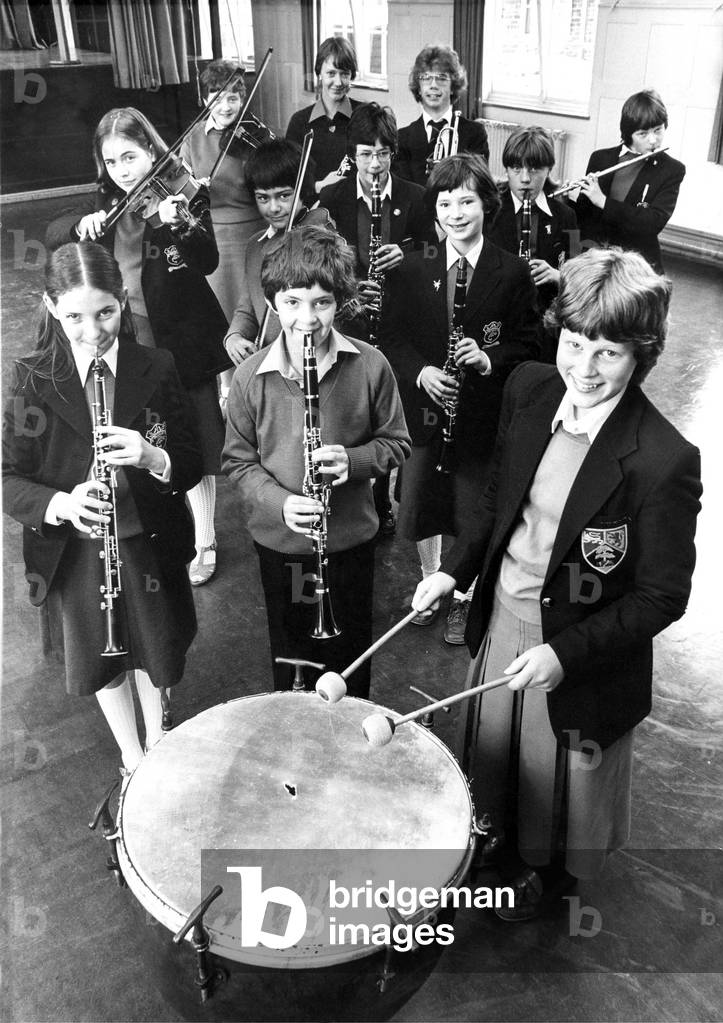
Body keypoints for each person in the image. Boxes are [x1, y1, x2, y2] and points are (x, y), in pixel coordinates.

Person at [412, 248, 702, 920]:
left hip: (578, 648)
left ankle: (540, 872)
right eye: (574, 343)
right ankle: (497, 842)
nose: (584, 367)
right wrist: (452, 573)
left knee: (553, 778)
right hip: (504, 618)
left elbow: (662, 595)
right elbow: (494, 500)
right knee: (496, 760)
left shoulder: (662, 460)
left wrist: (562, 653)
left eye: (608, 352)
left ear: (642, 354)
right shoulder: (531, 387)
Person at [2, 242, 202, 776]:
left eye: (106, 313)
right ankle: (132, 756)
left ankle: (160, 740)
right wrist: (62, 502)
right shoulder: (32, 379)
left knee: (156, 649)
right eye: (74, 317)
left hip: (147, 542)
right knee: (105, 657)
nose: (92, 333)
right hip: (79, 550)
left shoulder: (157, 366)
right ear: (50, 307)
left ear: (123, 299)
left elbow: (190, 461)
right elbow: (8, 479)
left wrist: (153, 455)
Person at [222, 226, 410, 697]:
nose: (307, 318)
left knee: (349, 664)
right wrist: (280, 503)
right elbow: (239, 463)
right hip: (281, 543)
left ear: (339, 302)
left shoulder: (370, 365)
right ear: (272, 303)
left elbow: (397, 443)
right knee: (290, 660)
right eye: (292, 303)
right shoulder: (250, 378)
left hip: (348, 540)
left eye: (322, 303)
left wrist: (355, 460)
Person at [45, 107, 230, 587]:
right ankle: (158, 527)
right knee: (149, 441)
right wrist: (79, 225)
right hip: (129, 343)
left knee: (195, 440)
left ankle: (206, 537)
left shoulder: (185, 195)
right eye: (111, 162)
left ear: (152, 150)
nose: (123, 171)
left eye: (130, 157)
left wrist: (180, 225)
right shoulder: (107, 203)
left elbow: (207, 260)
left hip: (181, 342)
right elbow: (53, 235)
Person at [382, 153, 539, 645]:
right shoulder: (411, 268)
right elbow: (390, 338)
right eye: (446, 202)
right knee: (424, 501)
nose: (456, 213)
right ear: (434, 211)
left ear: (486, 206)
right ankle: (431, 582)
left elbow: (532, 343)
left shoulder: (511, 272)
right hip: (426, 412)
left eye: (467, 201)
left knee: (472, 506)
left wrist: (489, 356)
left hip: (480, 415)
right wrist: (422, 372)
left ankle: (464, 596)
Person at [318, 102, 436, 536]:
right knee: (354, 413)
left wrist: (406, 256)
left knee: (390, 415)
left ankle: (384, 501)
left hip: (399, 327)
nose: (375, 164)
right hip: (349, 324)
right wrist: (349, 294)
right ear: (354, 156)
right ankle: (357, 497)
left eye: (383, 154)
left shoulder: (415, 196)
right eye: (366, 154)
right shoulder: (331, 200)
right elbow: (321, 268)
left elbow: (434, 254)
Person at [179, 59, 265, 404]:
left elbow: (274, 180)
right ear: (205, 100)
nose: (226, 105)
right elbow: (178, 189)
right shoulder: (192, 139)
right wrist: (193, 188)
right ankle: (229, 392)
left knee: (256, 313)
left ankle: (261, 387)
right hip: (212, 238)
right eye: (218, 97)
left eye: (233, 97)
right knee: (222, 316)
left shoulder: (255, 134)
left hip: (255, 235)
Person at [223, 138, 336, 364]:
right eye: (263, 198)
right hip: (272, 364)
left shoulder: (320, 234)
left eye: (284, 195)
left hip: (317, 362)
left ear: (302, 189)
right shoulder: (256, 246)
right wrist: (234, 337)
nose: (274, 208)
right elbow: (247, 307)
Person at [485, 125, 578, 359]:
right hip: (498, 321)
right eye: (516, 168)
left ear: (549, 169)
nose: (525, 179)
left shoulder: (567, 216)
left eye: (535, 169)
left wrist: (558, 276)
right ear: (506, 169)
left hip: (546, 322)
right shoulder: (488, 211)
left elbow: (580, 271)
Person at [574, 89, 684, 273]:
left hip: (637, 263)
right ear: (628, 133)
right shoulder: (600, 158)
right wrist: (567, 200)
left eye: (658, 130)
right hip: (596, 256)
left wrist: (603, 201)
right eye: (643, 134)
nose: (653, 140)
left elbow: (652, 224)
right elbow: (584, 218)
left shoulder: (672, 170)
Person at [396, 45, 489, 187]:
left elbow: (478, 186)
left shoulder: (475, 134)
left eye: (441, 78)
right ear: (418, 87)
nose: (433, 85)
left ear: (453, 86)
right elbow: (404, 192)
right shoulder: (401, 139)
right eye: (426, 77)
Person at [285, 36, 362, 198]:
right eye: (331, 73)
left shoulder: (364, 115)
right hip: (313, 213)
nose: (339, 82)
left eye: (345, 74)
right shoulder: (299, 122)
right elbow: (290, 179)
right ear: (319, 72)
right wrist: (319, 186)